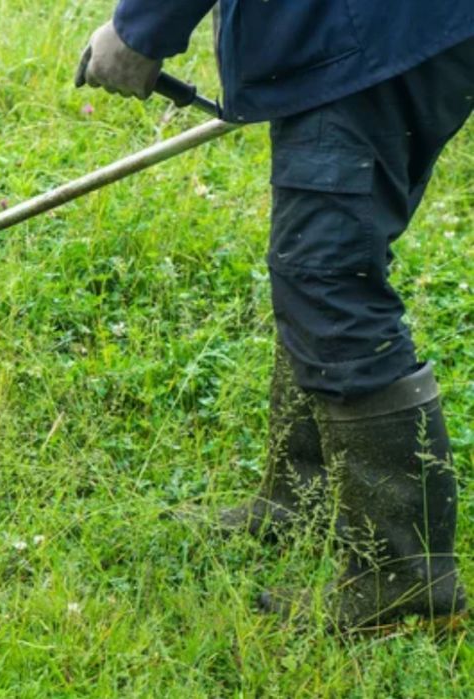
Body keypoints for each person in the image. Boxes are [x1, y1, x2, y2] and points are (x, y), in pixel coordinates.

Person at [75, 1, 473, 633]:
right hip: (366, 29)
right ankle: (302, 497)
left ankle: (404, 578)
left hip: (363, 27)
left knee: (327, 277)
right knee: (317, 266)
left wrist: (140, 30)